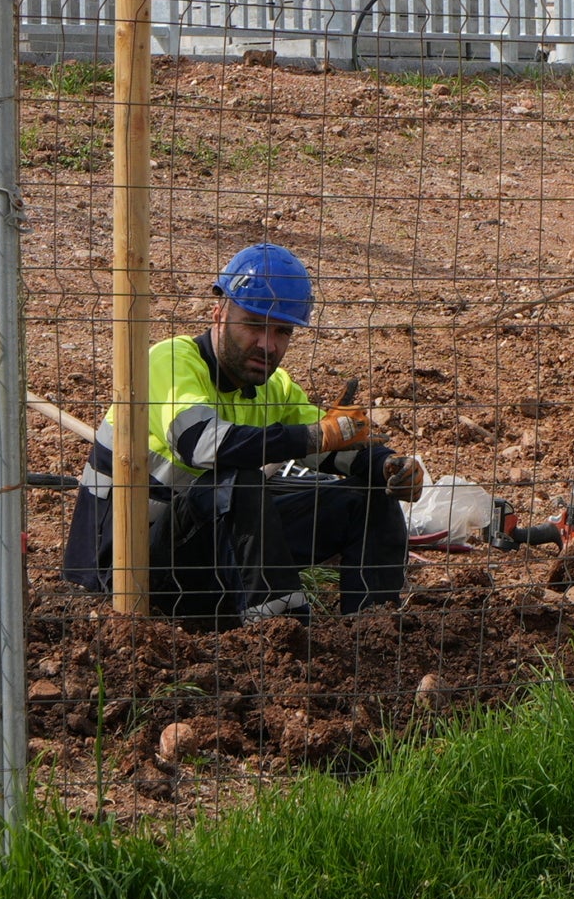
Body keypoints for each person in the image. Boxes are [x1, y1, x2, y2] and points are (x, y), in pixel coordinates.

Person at [62, 244, 425, 625]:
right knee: (238, 480)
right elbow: (202, 445)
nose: (268, 345)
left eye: (282, 331)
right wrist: (314, 437)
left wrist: (388, 466)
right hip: (124, 572)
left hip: (204, 558)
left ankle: (372, 634)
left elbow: (333, 444)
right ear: (218, 312)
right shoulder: (168, 362)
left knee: (369, 497)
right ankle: (284, 635)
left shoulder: (273, 386)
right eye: (254, 324)